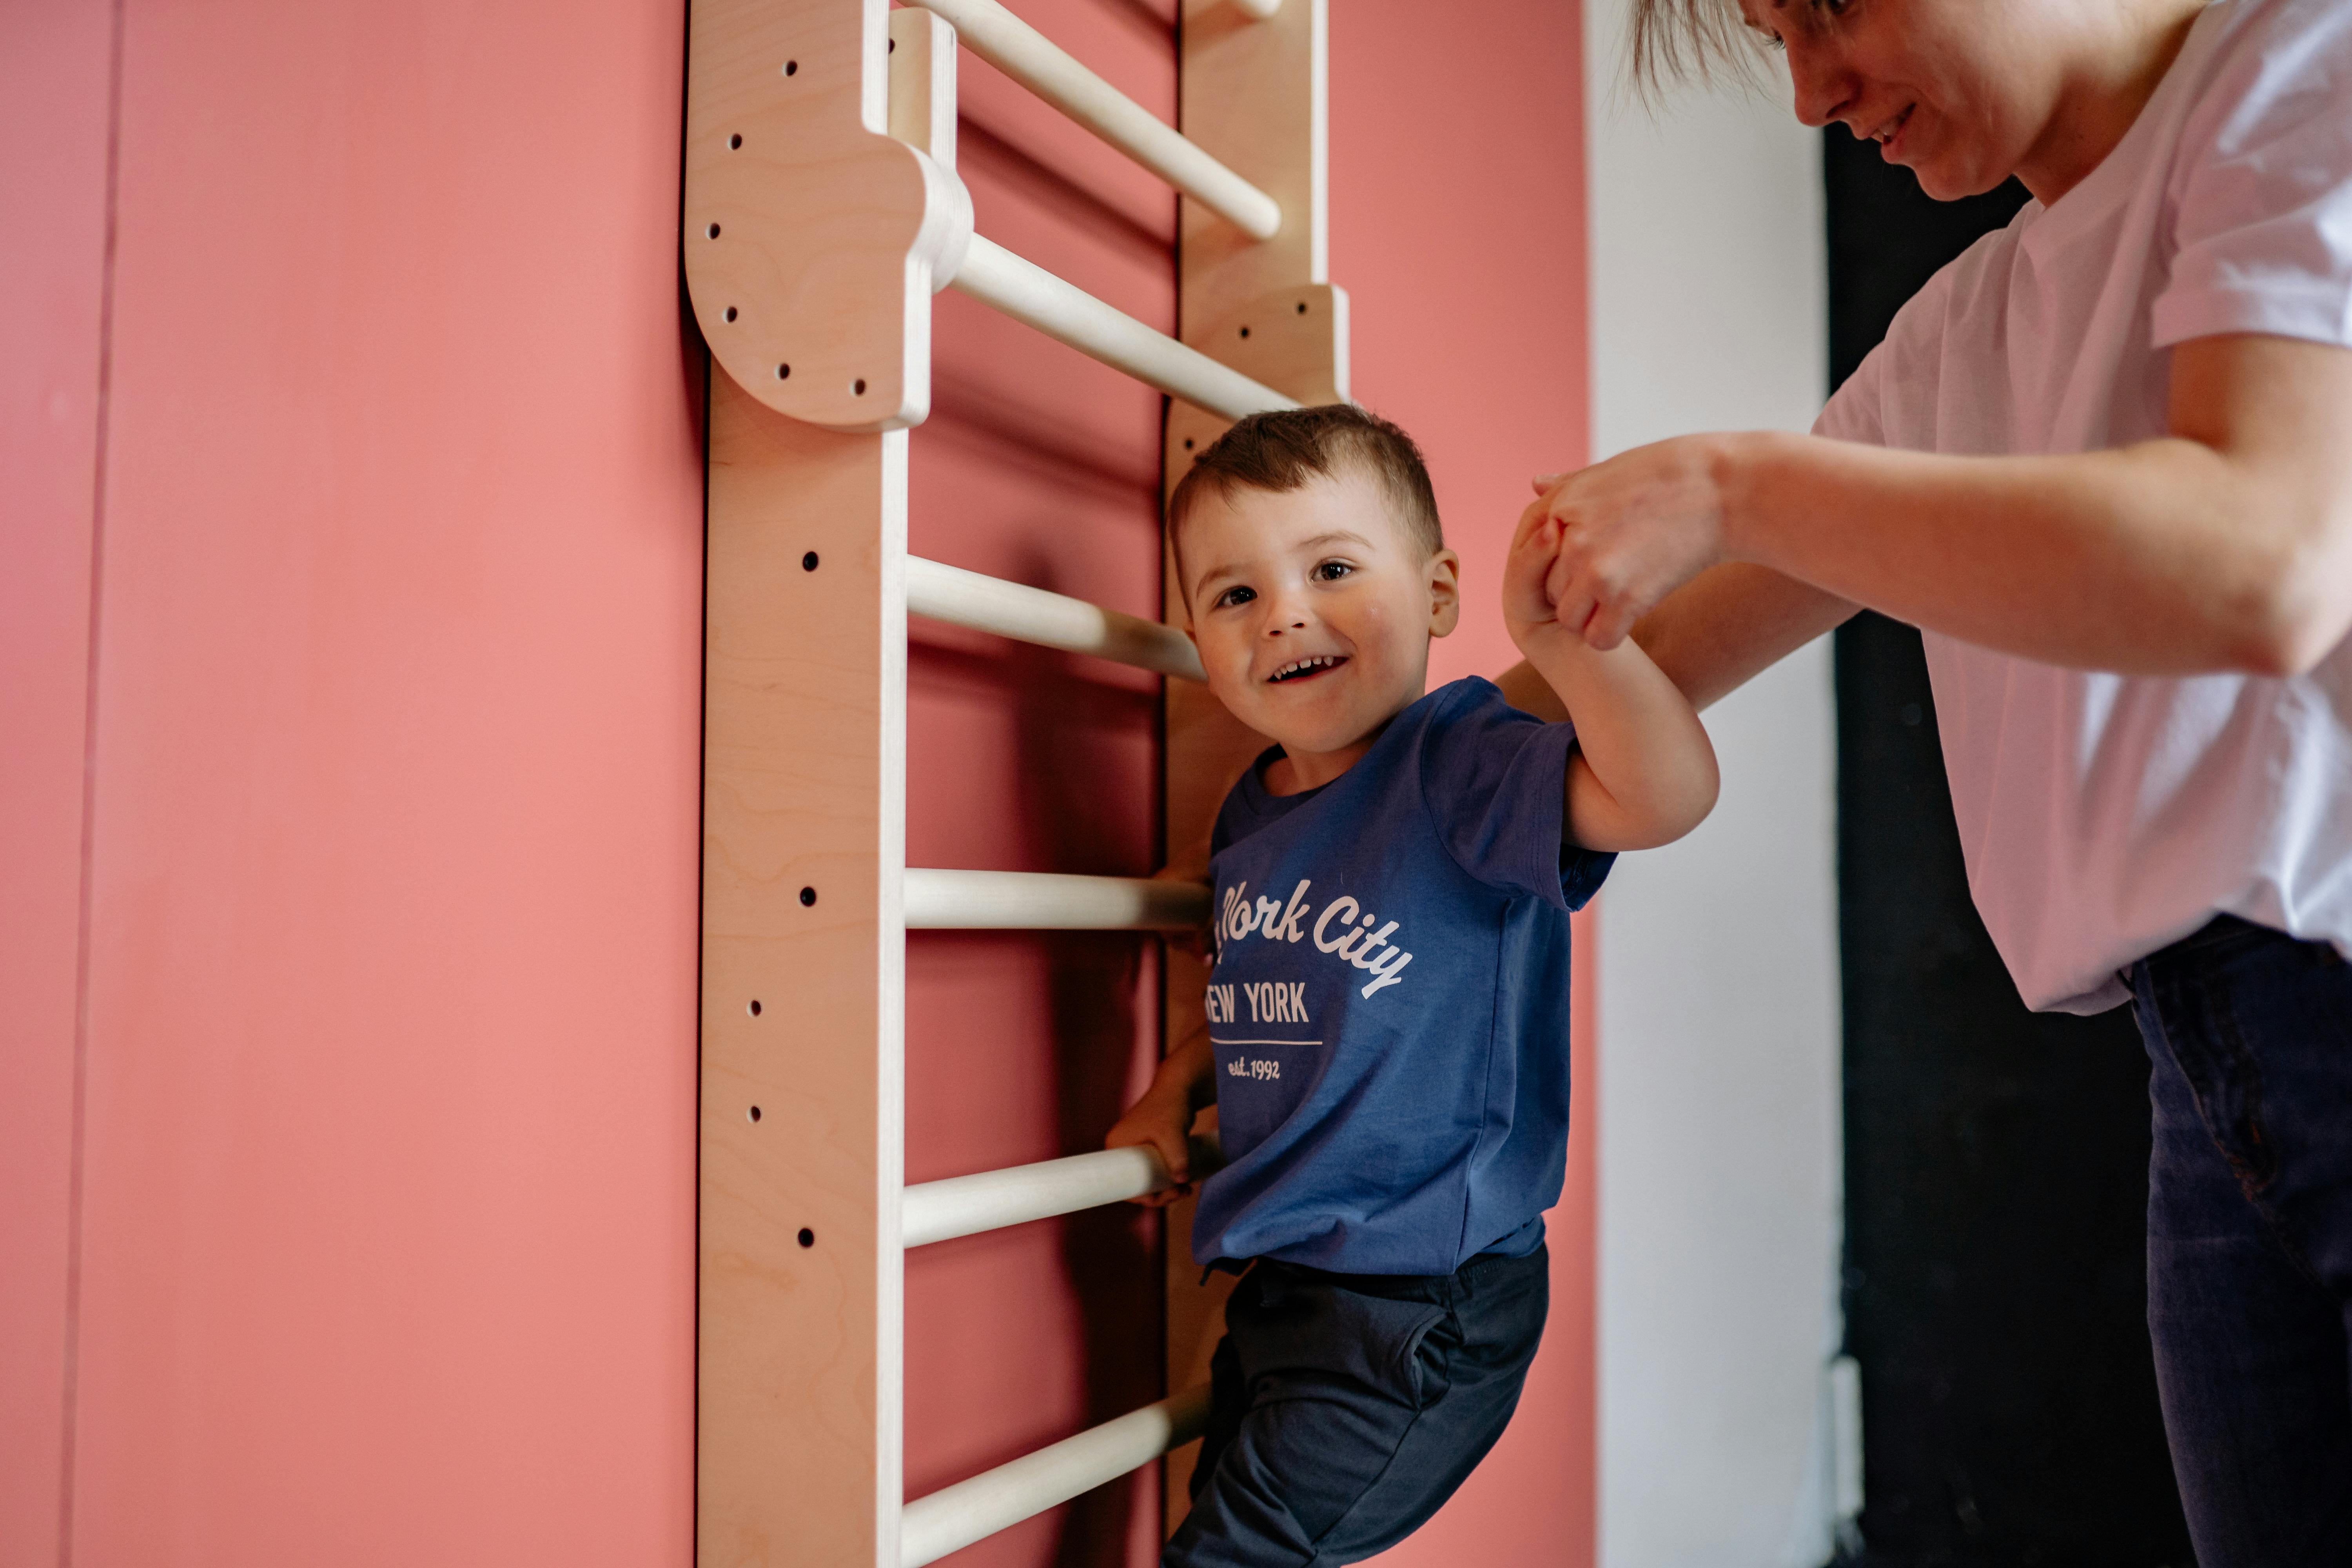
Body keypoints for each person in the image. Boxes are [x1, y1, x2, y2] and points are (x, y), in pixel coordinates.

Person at [1498, 0, 2352, 1560]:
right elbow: (1626, 662)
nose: (1814, 93)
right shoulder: (1964, 334)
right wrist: (1315, 803)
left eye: (1829, 8)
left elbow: (2269, 557)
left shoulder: (2303, 66)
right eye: (1776, 38)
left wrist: (1736, 481)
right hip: (2203, 1073)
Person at [1105, 405, 1719, 1566]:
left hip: (1420, 1304)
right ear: (1197, 636)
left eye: (1332, 569)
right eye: (1235, 596)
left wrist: (1574, 646)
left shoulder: (1462, 764)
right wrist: (1169, 1091)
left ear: (1437, 596)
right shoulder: (1254, 808)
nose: (1284, 611)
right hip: (1289, 1281)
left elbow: (1666, 798)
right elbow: (1263, 997)